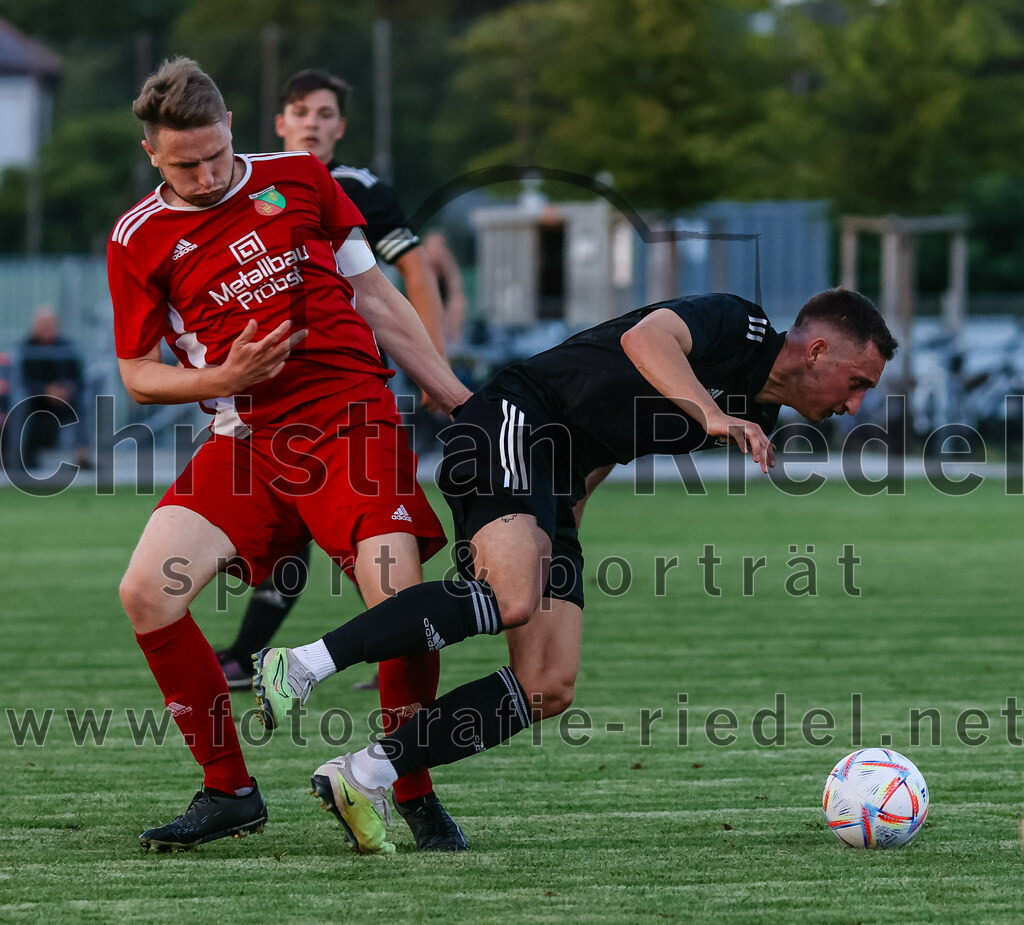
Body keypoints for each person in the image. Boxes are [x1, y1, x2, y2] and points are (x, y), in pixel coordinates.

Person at [254, 288, 898, 854]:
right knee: (510, 596)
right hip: (517, 420)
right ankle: (302, 663)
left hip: (556, 483)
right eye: (857, 381)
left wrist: (564, 534)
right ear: (815, 351)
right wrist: (710, 413)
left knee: (547, 684)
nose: (857, 403)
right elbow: (647, 339)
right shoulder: (743, 324)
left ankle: (364, 774)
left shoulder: (757, 414)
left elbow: (613, 438)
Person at [107, 57, 472, 853]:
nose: (204, 175)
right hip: (245, 439)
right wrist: (224, 377)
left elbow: (377, 295)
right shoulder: (136, 238)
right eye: (183, 164)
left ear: (233, 125)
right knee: (147, 593)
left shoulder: (301, 177)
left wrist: (454, 395)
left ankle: (408, 788)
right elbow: (136, 372)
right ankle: (229, 789)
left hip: (351, 423)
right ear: (151, 155)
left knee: (400, 606)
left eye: (213, 155)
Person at [215, 69, 451, 700]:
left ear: (340, 127)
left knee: (362, 528)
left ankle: (388, 637)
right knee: (292, 530)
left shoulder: (356, 188)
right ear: (279, 122)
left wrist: (434, 365)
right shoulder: (240, 187)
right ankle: (261, 652)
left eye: (325, 114)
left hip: (346, 384)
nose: (313, 123)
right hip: (267, 391)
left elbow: (410, 275)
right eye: (301, 111)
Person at [16, 307, 92, 470]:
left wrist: (66, 389)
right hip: (36, 401)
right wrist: (46, 390)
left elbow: (78, 378)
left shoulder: (68, 347)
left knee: (81, 404)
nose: (46, 328)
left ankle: (82, 456)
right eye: (42, 324)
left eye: (49, 324)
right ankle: (25, 456)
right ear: (34, 326)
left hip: (65, 399)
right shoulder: (25, 348)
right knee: (23, 406)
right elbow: (22, 380)